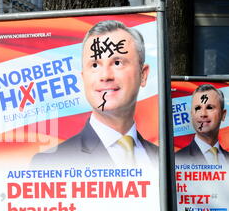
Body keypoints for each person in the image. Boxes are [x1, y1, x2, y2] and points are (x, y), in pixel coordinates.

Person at [31, 20, 158, 167]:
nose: (105, 75)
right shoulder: (50, 163)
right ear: (83, 77)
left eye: (117, 63)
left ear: (143, 75)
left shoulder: (164, 160)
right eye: (95, 65)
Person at [175, 84, 228, 165]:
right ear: (192, 115)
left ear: (223, 115)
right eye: (198, 108)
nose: (203, 114)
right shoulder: (176, 160)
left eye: (209, 107)